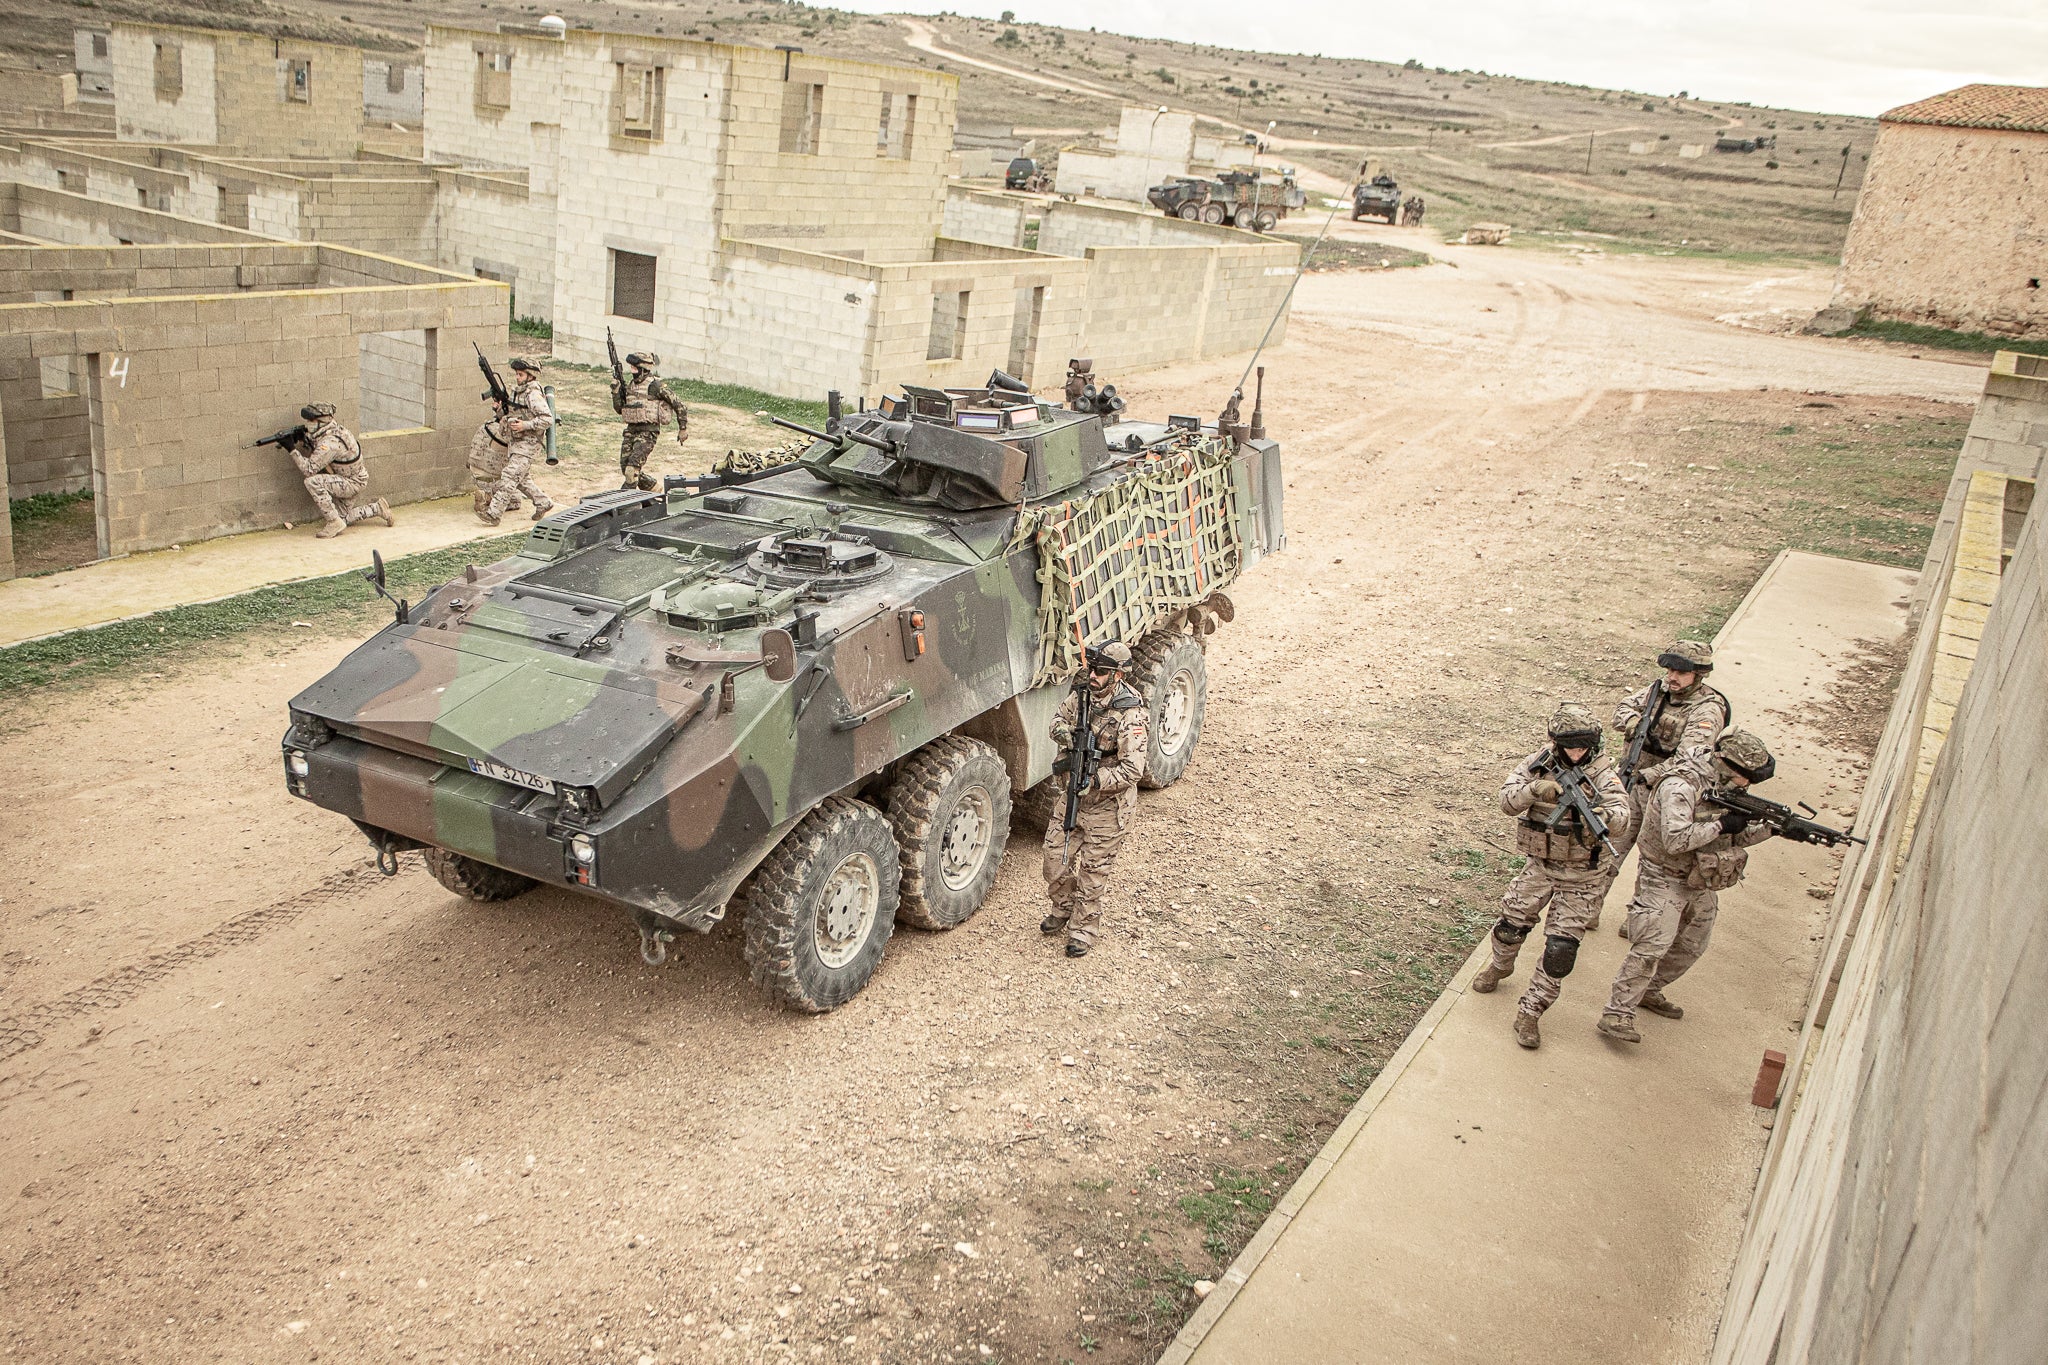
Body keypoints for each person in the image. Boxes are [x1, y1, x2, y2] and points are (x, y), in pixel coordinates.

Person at [1598, 729, 1780, 1044]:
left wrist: (1771, 829)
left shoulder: (1722, 785)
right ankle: (1617, 1013)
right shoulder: (1681, 786)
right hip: (1664, 874)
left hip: (1701, 876)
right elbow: (1676, 840)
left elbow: (1734, 838)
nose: (1748, 784)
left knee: (1694, 943)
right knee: (1652, 946)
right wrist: (1722, 824)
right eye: (1745, 777)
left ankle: (1649, 991)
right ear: (1727, 766)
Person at [1472, 702, 1632, 1049]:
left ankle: (1531, 1011)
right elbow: (1506, 801)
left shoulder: (1604, 774)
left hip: (1584, 876)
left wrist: (1605, 815)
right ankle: (1500, 966)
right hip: (1541, 867)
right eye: (1570, 746)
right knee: (1510, 925)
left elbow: (1623, 815)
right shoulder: (1538, 763)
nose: (1577, 752)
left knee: (1560, 951)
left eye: (1584, 746)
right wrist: (1534, 790)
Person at [1596, 640, 1733, 930]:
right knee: (1608, 850)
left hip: (1668, 796)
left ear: (1699, 674)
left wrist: (1652, 773)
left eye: (1681, 672)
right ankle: (1589, 910)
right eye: (1670, 669)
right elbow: (1621, 710)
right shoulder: (1657, 691)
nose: (1672, 676)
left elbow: (1689, 760)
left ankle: (1636, 922)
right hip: (1631, 784)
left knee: (1652, 865)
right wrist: (1635, 723)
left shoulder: (1708, 710)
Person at [1041, 641, 1149, 959]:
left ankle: (1083, 929)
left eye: (1101, 671)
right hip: (1073, 794)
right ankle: (1063, 908)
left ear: (1117, 675)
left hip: (1108, 807)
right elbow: (1056, 722)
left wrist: (1097, 780)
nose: (1093, 675)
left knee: (1092, 873)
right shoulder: (1082, 695)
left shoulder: (1131, 714)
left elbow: (1133, 769)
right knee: (1052, 860)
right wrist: (1068, 735)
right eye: (1091, 668)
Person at [290, 403, 391, 539]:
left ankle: (333, 522)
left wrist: (291, 449)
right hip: (355, 478)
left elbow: (309, 469)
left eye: (311, 421)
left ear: (321, 421)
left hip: (351, 483)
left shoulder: (330, 443)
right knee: (343, 518)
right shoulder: (336, 430)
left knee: (312, 482)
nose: (308, 424)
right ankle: (376, 508)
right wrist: (305, 438)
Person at [480, 357, 554, 526]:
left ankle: (493, 514)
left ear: (531, 376)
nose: (517, 377)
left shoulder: (533, 394)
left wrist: (525, 425)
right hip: (516, 442)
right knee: (521, 479)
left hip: (528, 443)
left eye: (520, 374)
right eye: (516, 374)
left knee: (509, 476)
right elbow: (510, 416)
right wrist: (499, 411)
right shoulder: (518, 392)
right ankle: (543, 502)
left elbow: (547, 419)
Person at [613, 351, 690, 492]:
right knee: (627, 468)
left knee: (632, 471)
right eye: (631, 368)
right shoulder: (630, 385)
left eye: (635, 368)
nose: (632, 371)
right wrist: (616, 392)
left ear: (643, 370)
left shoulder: (655, 386)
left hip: (648, 432)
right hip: (631, 430)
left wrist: (683, 428)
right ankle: (654, 489)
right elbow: (620, 409)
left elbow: (679, 405)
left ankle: (624, 501)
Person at [464, 418, 520, 518]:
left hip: (476, 476)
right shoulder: (507, 435)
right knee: (515, 500)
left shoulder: (485, 426)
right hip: (491, 480)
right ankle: (488, 499)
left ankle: (486, 494)